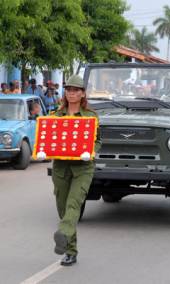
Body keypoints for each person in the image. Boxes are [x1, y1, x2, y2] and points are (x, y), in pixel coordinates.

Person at [50, 75, 101, 266]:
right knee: (63, 208)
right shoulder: (57, 115)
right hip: (61, 168)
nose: (72, 93)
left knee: (73, 204)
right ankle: (71, 250)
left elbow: (98, 141)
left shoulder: (91, 116)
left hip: (83, 168)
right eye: (69, 90)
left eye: (76, 90)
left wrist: (92, 151)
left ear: (82, 93)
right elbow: (51, 139)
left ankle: (63, 235)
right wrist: (43, 150)